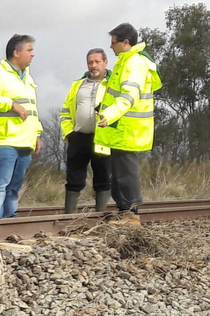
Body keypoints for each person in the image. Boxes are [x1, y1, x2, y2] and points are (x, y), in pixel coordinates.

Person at [95, 23, 161, 214]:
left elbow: (128, 97)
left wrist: (109, 114)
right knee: (120, 175)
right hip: (124, 128)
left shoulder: (133, 63)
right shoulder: (127, 60)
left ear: (126, 42)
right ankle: (125, 213)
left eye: (113, 42)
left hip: (128, 129)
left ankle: (130, 215)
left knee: (126, 175)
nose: (111, 46)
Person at [0, 34, 42, 218]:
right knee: (0, 183)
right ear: (16, 52)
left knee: (14, 186)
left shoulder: (28, 78)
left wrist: (37, 133)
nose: (33, 54)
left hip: (26, 139)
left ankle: (9, 220)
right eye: (29, 50)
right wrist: (11, 104)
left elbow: (32, 108)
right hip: (4, 138)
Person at [58, 49, 112, 213]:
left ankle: (100, 216)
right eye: (90, 62)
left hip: (103, 137)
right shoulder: (78, 85)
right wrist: (69, 134)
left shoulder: (113, 84)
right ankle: (69, 217)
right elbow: (65, 112)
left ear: (105, 62)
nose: (93, 65)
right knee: (74, 178)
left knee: (103, 178)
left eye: (97, 61)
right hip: (78, 138)